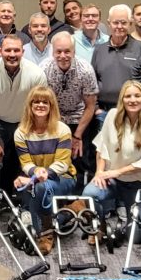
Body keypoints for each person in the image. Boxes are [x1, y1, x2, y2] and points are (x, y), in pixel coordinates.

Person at [82, 81, 141, 243]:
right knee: (90, 193)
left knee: (136, 237)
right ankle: (100, 226)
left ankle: (128, 225)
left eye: (137, 96)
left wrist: (116, 171)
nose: (132, 100)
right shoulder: (112, 116)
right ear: (122, 99)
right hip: (112, 180)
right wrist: (100, 172)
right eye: (128, 96)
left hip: (138, 184)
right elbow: (102, 146)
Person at [13, 86, 76, 255]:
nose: (40, 105)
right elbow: (25, 163)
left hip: (64, 178)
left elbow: (62, 164)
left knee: (38, 188)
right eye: (36, 102)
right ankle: (71, 212)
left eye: (45, 102)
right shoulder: (21, 132)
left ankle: (45, 235)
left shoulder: (63, 129)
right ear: (30, 105)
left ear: (51, 106)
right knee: (35, 188)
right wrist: (36, 173)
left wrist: (41, 174)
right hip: (37, 178)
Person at [0, 35, 47, 193]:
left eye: (16, 50)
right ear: (0, 51)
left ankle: (25, 205)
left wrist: (35, 135)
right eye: (8, 50)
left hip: (25, 123)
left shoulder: (37, 74)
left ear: (23, 52)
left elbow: (41, 108)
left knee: (29, 162)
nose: (12, 54)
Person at [42, 32, 98, 188]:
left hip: (79, 120)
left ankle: (77, 202)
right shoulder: (44, 69)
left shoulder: (86, 70)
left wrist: (77, 136)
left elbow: (90, 106)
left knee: (78, 160)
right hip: (53, 121)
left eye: (67, 51)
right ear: (52, 51)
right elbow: (42, 104)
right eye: (58, 51)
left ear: (74, 51)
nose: (63, 55)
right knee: (54, 161)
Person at [90, 4, 141, 123]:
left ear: (130, 24)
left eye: (123, 23)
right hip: (104, 115)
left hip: (134, 113)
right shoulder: (99, 50)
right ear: (109, 23)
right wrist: (95, 109)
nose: (119, 26)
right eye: (115, 22)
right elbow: (91, 83)